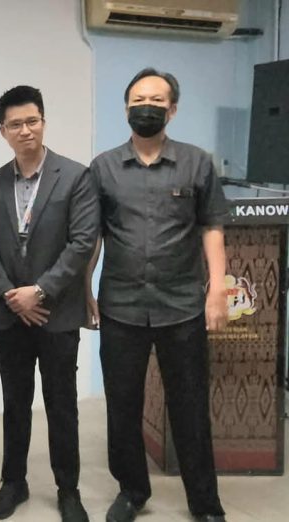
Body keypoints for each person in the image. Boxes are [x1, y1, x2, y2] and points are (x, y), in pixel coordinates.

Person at [87, 68, 228, 522]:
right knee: (122, 406)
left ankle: (205, 504)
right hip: (121, 306)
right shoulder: (103, 167)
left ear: (173, 109)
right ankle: (132, 491)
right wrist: (85, 290)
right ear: (126, 108)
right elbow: (93, 236)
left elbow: (212, 228)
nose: (146, 107)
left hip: (182, 305)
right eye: (138, 100)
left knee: (190, 409)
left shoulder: (196, 163)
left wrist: (217, 289)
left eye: (156, 100)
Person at [0, 86, 98, 521]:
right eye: (15, 124)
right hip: (10, 314)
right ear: (3, 131)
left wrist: (40, 291)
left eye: (32, 121)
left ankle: (68, 489)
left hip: (57, 313)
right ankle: (14, 482)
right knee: (15, 403)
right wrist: (12, 295)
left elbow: (82, 242)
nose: (25, 130)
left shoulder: (76, 176)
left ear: (43, 122)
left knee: (62, 404)